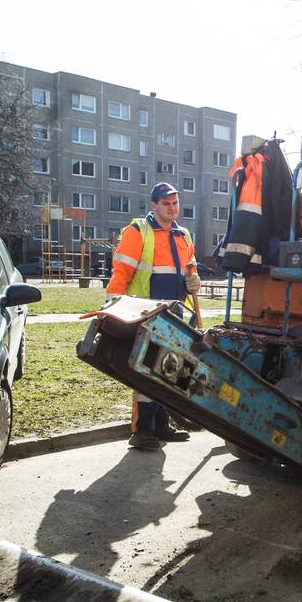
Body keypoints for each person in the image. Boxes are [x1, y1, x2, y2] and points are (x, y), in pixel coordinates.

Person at [106, 182, 201, 451]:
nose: (172, 208)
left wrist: (194, 279)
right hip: (145, 312)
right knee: (147, 371)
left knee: (169, 369)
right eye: (166, 204)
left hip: (174, 313)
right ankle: (142, 430)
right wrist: (110, 307)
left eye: (175, 203)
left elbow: (190, 267)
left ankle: (161, 425)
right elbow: (121, 273)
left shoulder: (184, 235)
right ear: (154, 205)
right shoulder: (139, 231)